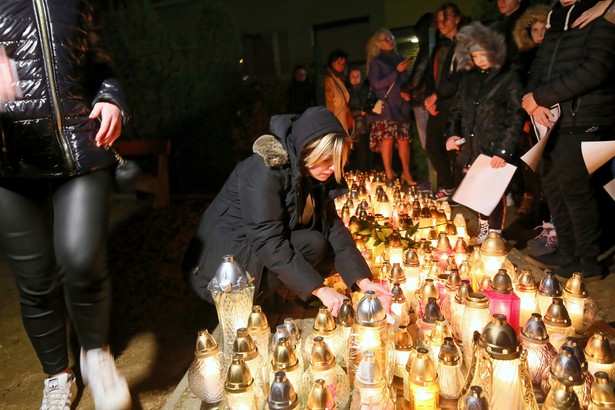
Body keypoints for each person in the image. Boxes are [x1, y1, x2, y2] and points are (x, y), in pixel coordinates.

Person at [0, 2, 132, 410]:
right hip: (10, 160)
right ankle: (57, 376)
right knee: (35, 280)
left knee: (81, 258)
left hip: (81, 145)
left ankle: (96, 353)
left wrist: (112, 97)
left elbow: (98, 55)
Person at [183, 106, 392, 316]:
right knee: (313, 246)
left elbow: (332, 226)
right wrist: (320, 290)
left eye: (337, 162)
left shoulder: (312, 171)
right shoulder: (264, 170)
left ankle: (275, 295)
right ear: (308, 151)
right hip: (223, 267)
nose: (332, 169)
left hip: (256, 247)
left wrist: (363, 281)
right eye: (326, 160)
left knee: (321, 245)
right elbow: (267, 240)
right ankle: (254, 304)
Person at [521, 0, 615, 281]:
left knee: (576, 192)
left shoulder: (601, 12)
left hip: (584, 117)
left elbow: (596, 68)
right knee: (553, 188)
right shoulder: (555, 16)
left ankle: (587, 263)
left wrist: (541, 97)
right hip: (551, 119)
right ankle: (568, 252)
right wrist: (532, 102)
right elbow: (538, 66)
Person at [445, 22, 525, 245]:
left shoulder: (509, 76)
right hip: (472, 145)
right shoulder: (468, 78)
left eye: (484, 54)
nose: (479, 60)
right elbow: (456, 110)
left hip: (495, 144)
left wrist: (504, 149)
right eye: (475, 55)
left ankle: (495, 235)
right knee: (476, 190)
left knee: (493, 191)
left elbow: (516, 115)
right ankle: (483, 229)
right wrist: (451, 135)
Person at [512, 5, 550, 220]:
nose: (539, 34)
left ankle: (545, 205)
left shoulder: (553, 52)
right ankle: (531, 198)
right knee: (528, 160)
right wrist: (525, 117)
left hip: (549, 112)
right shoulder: (523, 57)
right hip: (528, 115)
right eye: (535, 30)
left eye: (543, 29)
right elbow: (520, 88)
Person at [423, 3, 464, 201]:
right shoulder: (440, 45)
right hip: (439, 102)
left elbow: (458, 77)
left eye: (445, 18)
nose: (441, 23)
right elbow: (432, 76)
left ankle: (459, 190)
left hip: (455, 103)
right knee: (432, 144)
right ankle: (449, 185)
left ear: (456, 19)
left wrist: (436, 95)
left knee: (454, 148)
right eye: (438, 20)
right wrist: (430, 98)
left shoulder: (463, 43)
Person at [366, 28, 416, 185]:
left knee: (404, 140)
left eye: (391, 37)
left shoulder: (399, 57)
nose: (390, 40)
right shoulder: (377, 62)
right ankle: (389, 173)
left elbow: (405, 79)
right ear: (378, 44)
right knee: (387, 139)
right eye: (385, 39)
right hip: (386, 107)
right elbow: (377, 83)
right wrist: (396, 71)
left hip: (401, 105)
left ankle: (406, 173)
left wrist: (407, 91)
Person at [346, 68, 371, 171]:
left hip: (366, 123)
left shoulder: (365, 89)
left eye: (358, 76)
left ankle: (366, 170)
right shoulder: (347, 91)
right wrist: (358, 112)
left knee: (366, 149)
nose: (356, 79)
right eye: (353, 76)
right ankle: (359, 171)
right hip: (353, 124)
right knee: (358, 149)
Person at [324, 49, 352, 134]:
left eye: (343, 64)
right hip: (336, 119)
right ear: (332, 63)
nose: (341, 66)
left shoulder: (339, 78)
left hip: (341, 117)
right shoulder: (330, 80)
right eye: (338, 63)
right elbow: (329, 102)